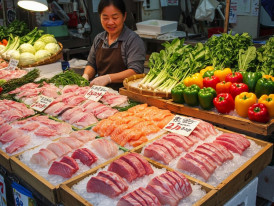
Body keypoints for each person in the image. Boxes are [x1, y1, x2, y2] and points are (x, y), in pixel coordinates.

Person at [82, 0, 146, 90]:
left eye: (115, 17)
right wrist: (86, 75)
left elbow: (136, 71)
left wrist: (108, 78)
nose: (110, 22)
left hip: (124, 94)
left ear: (124, 17)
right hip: (100, 92)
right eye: (105, 18)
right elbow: (91, 64)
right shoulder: (99, 39)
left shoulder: (133, 40)